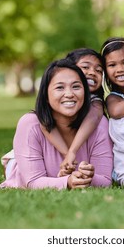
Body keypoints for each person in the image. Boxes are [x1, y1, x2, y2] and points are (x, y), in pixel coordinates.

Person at [0, 58, 113, 190]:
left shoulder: (99, 124)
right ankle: (13, 160)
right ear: (46, 95)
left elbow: (105, 180)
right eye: (59, 87)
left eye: (76, 86)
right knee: (19, 166)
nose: (69, 94)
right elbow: (33, 182)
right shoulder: (30, 124)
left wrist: (88, 176)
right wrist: (68, 182)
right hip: (24, 169)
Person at [40, 48, 106, 176]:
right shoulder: (55, 96)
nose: (92, 72)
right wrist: (68, 152)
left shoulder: (95, 101)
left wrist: (72, 151)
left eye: (99, 70)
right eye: (85, 67)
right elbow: (44, 121)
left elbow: (93, 119)